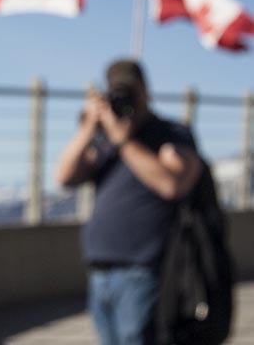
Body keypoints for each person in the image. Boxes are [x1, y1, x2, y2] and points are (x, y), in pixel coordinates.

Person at [55, 59, 202, 345]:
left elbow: (172, 185)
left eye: (130, 92)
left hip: (143, 270)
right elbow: (64, 176)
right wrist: (88, 129)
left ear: (145, 91)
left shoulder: (170, 133)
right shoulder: (104, 139)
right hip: (100, 273)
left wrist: (124, 142)